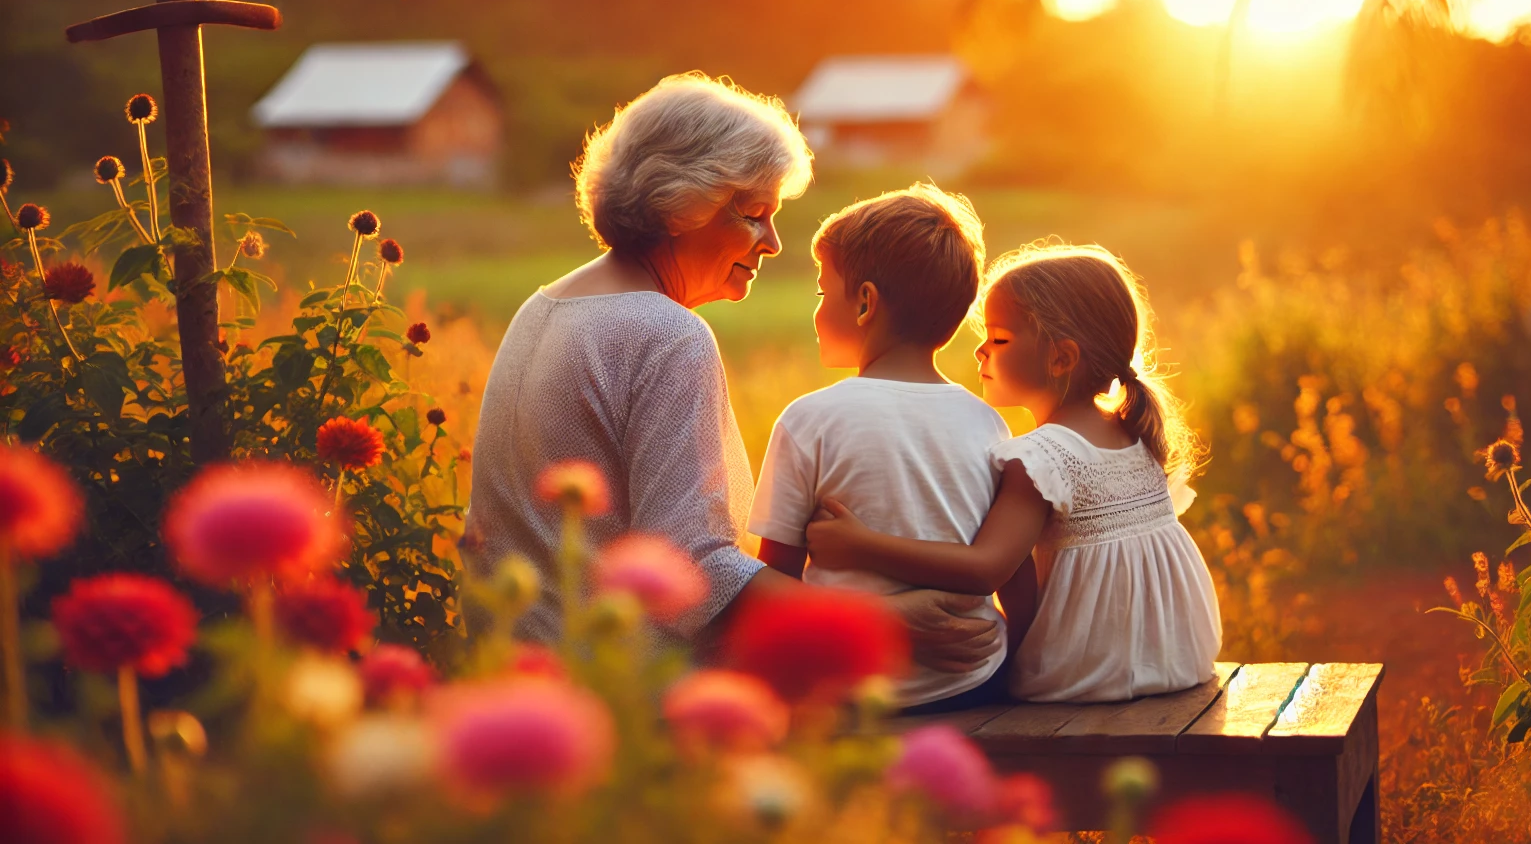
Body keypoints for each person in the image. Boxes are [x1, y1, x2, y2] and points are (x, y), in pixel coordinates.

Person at [464, 74, 998, 672]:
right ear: (680, 203)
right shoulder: (665, 333)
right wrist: (883, 620)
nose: (771, 242)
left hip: (516, 673)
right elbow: (693, 563)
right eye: (754, 214)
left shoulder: (541, 308)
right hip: (625, 696)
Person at [805, 242, 1223, 703]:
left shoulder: (1040, 458)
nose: (981, 350)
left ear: (1061, 358)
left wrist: (861, 545)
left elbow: (985, 569)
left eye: (1000, 338)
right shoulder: (1133, 434)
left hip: (1090, 676)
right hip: (1180, 659)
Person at [748, 185, 1033, 712]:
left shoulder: (808, 420)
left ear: (864, 303)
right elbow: (1017, 583)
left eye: (820, 292)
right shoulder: (989, 425)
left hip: (854, 692)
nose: (815, 310)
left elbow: (777, 583)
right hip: (974, 684)